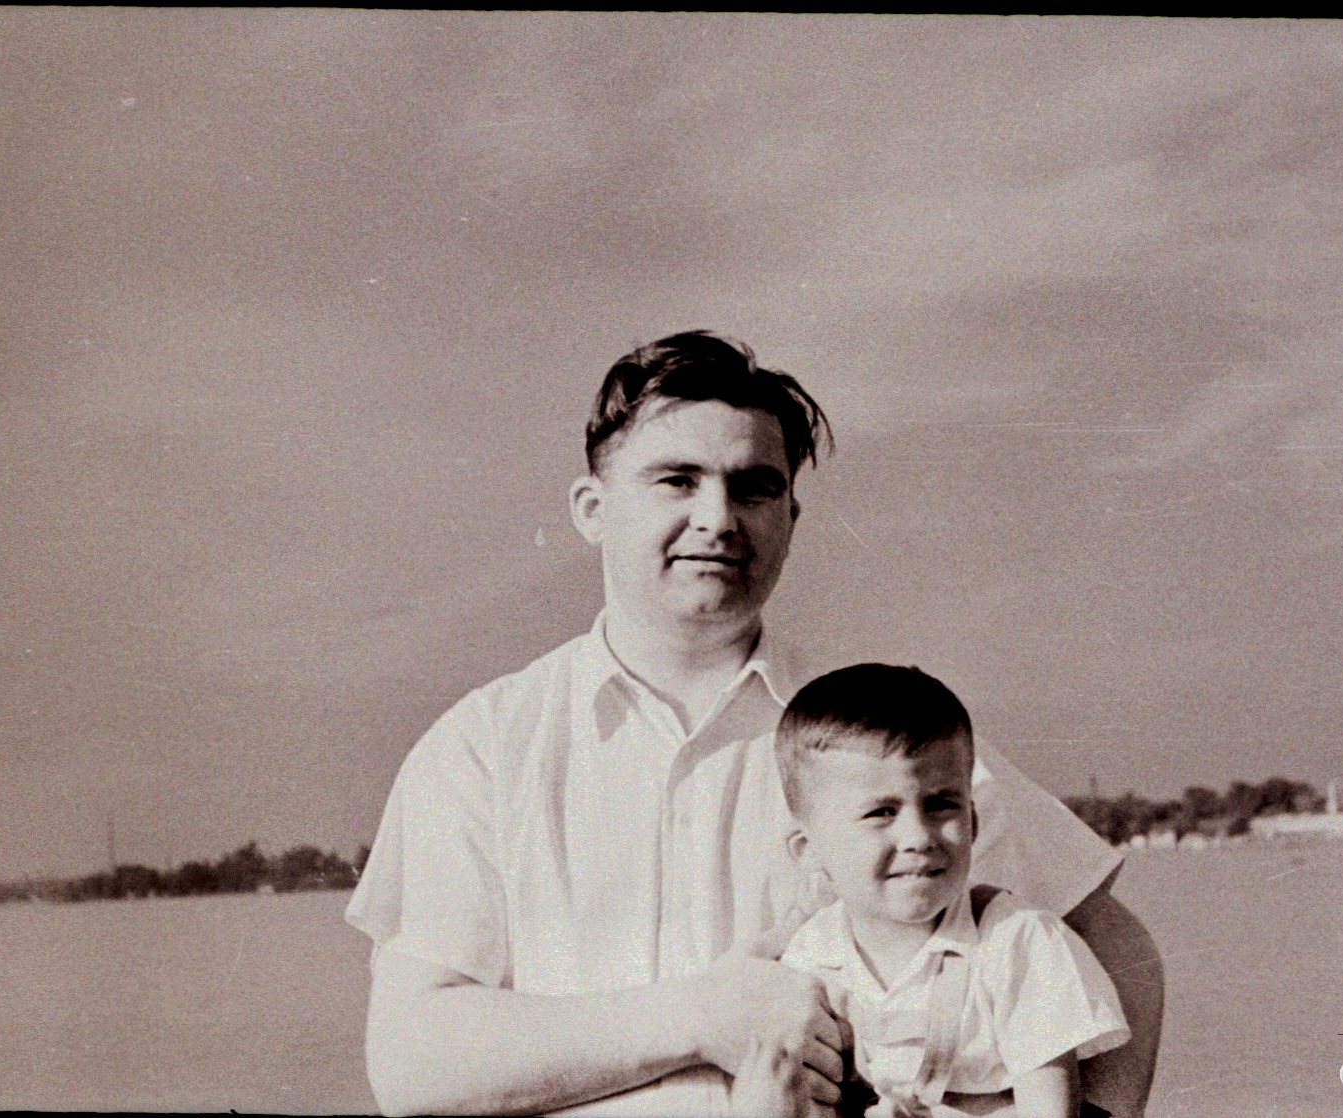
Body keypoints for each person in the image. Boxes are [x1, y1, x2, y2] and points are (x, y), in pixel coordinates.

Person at [345, 331, 1163, 1117]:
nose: (719, 517)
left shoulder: (872, 727)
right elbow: (413, 1059)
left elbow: (1121, 956)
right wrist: (701, 1018)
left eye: (754, 486)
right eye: (676, 480)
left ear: (791, 517)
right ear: (592, 508)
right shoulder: (485, 745)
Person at [773, 664, 1130, 1118]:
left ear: (974, 822)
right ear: (809, 850)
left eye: (941, 804)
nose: (919, 836)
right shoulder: (813, 955)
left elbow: (1051, 1105)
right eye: (881, 812)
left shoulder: (1016, 942)